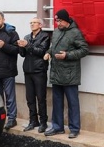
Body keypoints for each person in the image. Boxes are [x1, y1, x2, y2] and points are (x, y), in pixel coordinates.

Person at [43, 9, 89, 139]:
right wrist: (48, 52)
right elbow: (53, 47)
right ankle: (57, 127)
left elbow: (84, 50)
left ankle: (74, 129)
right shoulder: (57, 32)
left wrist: (67, 55)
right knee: (57, 101)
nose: (58, 23)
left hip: (70, 74)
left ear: (66, 20)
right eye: (56, 21)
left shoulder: (75, 32)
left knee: (72, 103)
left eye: (60, 21)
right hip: (56, 72)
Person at [17, 17, 50, 133]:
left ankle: (43, 122)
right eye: (30, 22)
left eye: (34, 22)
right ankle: (33, 120)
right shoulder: (27, 37)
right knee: (30, 98)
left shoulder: (45, 36)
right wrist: (20, 46)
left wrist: (27, 45)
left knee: (41, 97)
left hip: (39, 70)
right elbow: (22, 54)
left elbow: (41, 52)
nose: (31, 24)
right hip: (28, 70)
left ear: (40, 25)